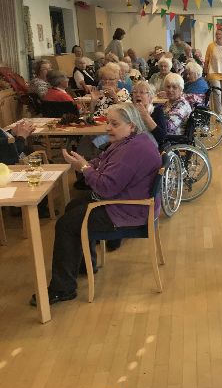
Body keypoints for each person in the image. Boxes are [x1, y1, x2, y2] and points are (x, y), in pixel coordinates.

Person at [29, 103, 162, 306]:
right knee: (73, 207)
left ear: (132, 126)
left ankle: (63, 289)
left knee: (66, 224)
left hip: (129, 210)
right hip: (126, 202)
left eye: (114, 124)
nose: (108, 127)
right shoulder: (130, 141)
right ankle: (85, 265)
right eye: (108, 122)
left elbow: (106, 188)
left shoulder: (134, 149)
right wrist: (86, 164)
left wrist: (84, 168)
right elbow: (102, 162)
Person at [133, 80, 167, 147]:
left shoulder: (157, 111)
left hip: (150, 146)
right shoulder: (130, 110)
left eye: (141, 92)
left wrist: (145, 116)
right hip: (132, 143)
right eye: (135, 92)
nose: (137, 95)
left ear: (150, 97)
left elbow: (161, 137)